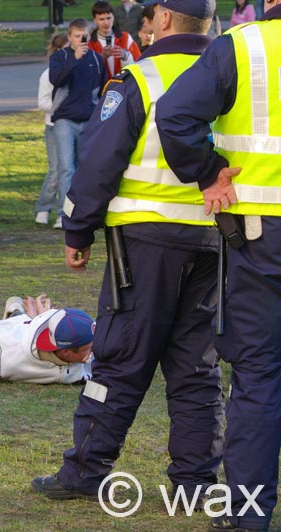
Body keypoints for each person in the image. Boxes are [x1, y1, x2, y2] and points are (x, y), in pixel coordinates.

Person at [32, 0, 225, 507]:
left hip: (145, 244)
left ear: (163, 18)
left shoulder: (141, 77)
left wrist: (77, 230)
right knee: (197, 368)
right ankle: (197, 482)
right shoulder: (228, 72)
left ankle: (85, 470)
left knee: (119, 359)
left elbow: (99, 161)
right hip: (214, 239)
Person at [156, 0, 281, 529]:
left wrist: (207, 172)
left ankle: (249, 514)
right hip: (259, 232)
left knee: (258, 373)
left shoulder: (245, 45)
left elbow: (174, 114)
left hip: (261, 235)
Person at [0, 295, 94, 384]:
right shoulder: (2, 355)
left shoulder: (72, 341)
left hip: (29, 326)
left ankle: (17, 312)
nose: (95, 351)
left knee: (23, 323)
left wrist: (37, 319)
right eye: (88, 349)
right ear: (66, 351)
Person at [49, 18, 106, 230]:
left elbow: (102, 89)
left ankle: (83, 212)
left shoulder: (97, 59)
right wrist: (75, 59)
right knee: (66, 167)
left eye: (85, 36)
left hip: (88, 119)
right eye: (77, 36)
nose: (81, 40)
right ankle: (64, 213)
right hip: (65, 119)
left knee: (85, 168)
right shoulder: (60, 56)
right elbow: (57, 80)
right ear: (70, 36)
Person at [34, 33, 69, 226]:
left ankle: (64, 212)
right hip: (54, 126)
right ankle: (43, 208)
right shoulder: (48, 75)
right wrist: (63, 106)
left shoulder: (77, 70)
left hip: (74, 126)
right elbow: (43, 103)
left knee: (69, 170)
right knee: (56, 169)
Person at [88, 1, 141, 80]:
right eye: (101, 19)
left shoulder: (126, 38)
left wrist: (125, 56)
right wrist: (100, 58)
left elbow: (139, 65)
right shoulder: (89, 42)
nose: (106, 22)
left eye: (108, 18)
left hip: (123, 85)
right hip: (101, 86)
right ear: (95, 20)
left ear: (113, 17)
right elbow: (86, 72)